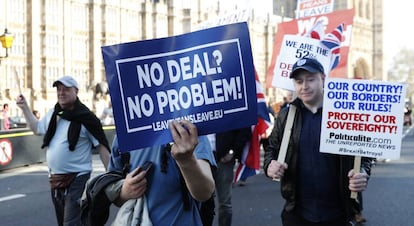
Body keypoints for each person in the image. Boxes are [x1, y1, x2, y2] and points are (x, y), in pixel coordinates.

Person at [263, 57, 372, 226]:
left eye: (310, 79)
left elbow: (364, 153)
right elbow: (272, 149)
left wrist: (363, 172)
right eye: (299, 81)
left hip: (338, 214)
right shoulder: (286, 116)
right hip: (297, 213)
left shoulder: (345, 113)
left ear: (323, 78)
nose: (304, 86)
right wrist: (270, 166)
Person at [16, 75, 110, 226]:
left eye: (66, 89)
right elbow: (37, 128)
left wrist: (110, 177)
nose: (61, 92)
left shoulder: (87, 119)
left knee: (70, 223)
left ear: (76, 91)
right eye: (59, 89)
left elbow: (102, 146)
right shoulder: (55, 112)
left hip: (78, 179)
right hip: (55, 180)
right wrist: (25, 108)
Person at [107, 120, 216, 225]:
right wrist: (124, 192)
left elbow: (205, 193)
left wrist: (187, 161)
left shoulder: (189, 128)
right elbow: (112, 194)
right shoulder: (124, 134)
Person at [209, 127, 251, 226]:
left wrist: (233, 151)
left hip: (223, 158)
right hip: (201, 157)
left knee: (225, 203)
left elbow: (244, 128)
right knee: (201, 202)